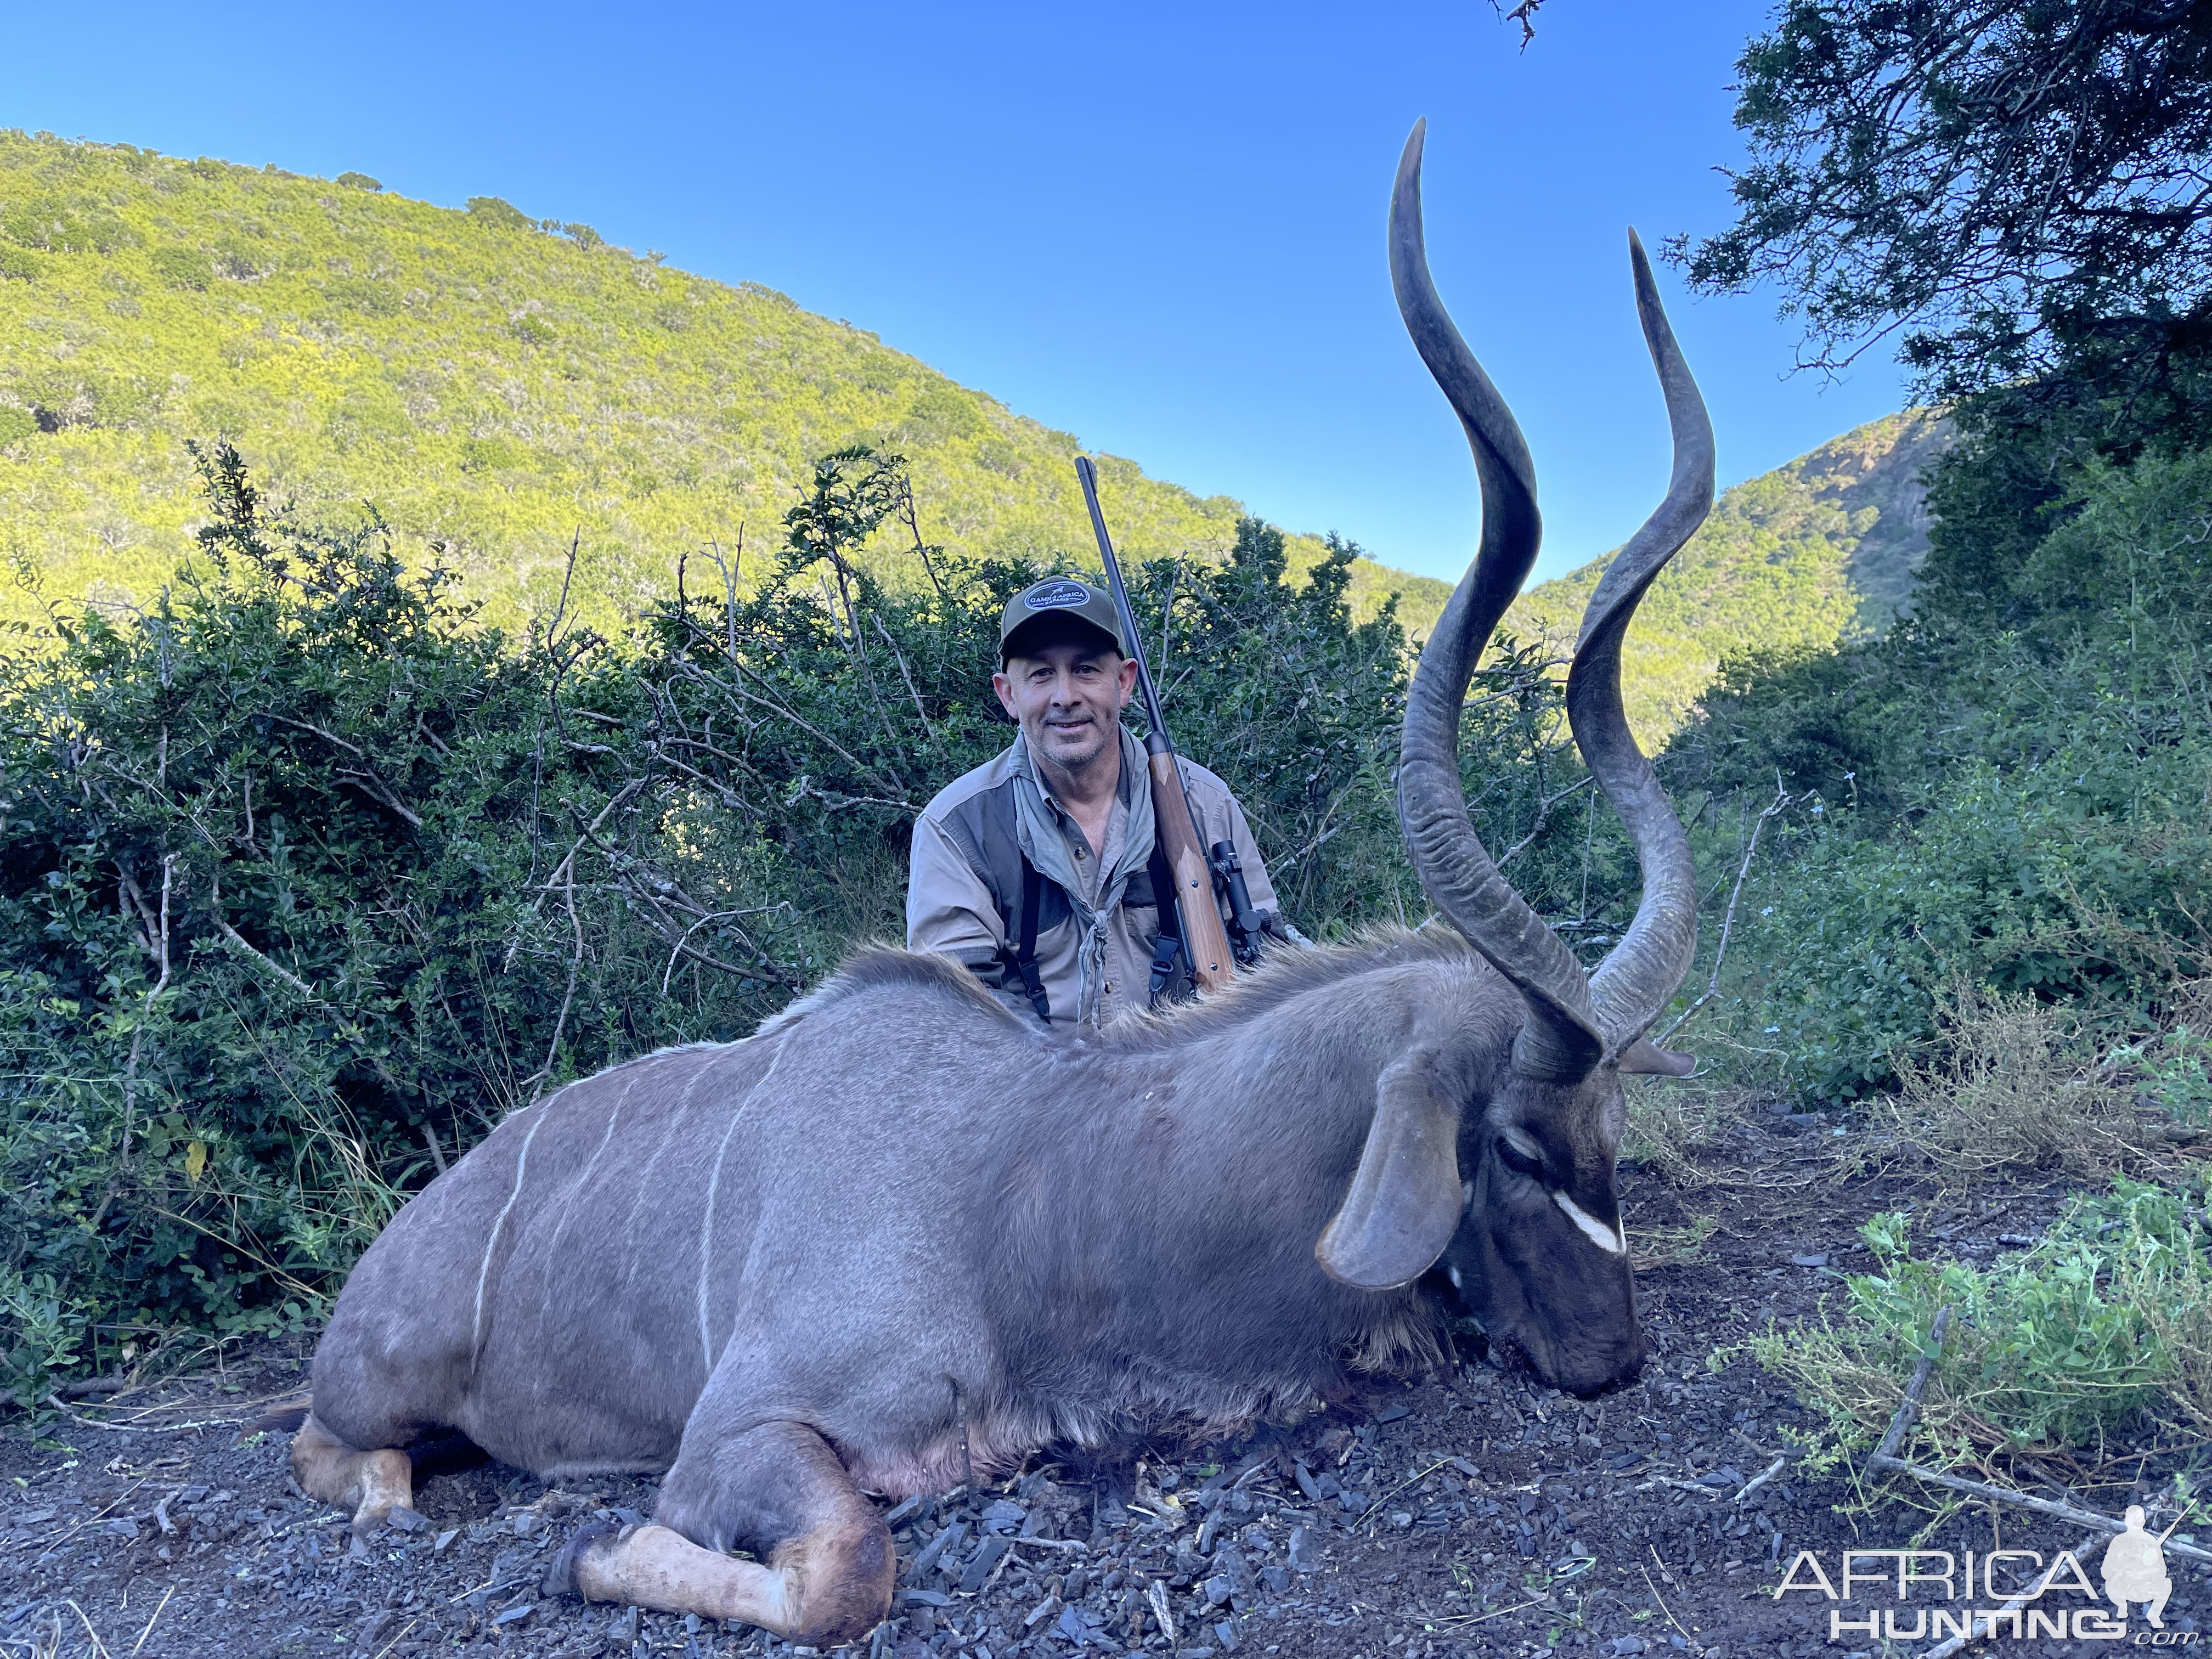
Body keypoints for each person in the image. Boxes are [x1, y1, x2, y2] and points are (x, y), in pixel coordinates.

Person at [907, 576, 1283, 1026]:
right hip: (1040, 1089)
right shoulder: (956, 828)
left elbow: (1270, 969)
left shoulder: (1205, 805)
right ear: (1008, 694)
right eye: (1041, 674)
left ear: (1124, 683)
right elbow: (953, 1015)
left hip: (1193, 1083)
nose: (1066, 697)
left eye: (1086, 669)